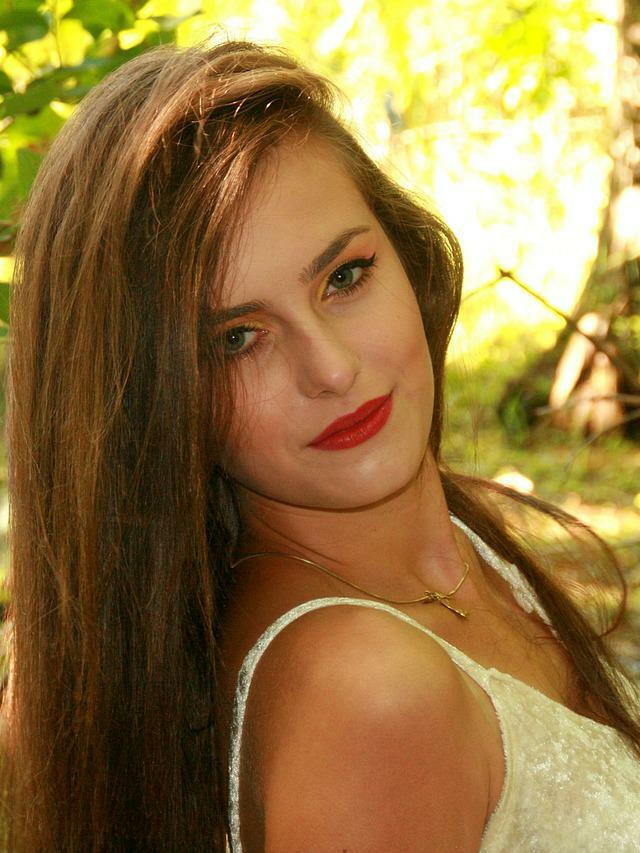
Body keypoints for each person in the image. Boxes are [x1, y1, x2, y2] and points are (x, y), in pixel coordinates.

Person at [1, 37, 639, 852]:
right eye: (237, 339)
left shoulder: (449, 551)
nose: (332, 369)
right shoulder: (369, 695)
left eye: (344, 277)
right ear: (153, 407)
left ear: (407, 254)